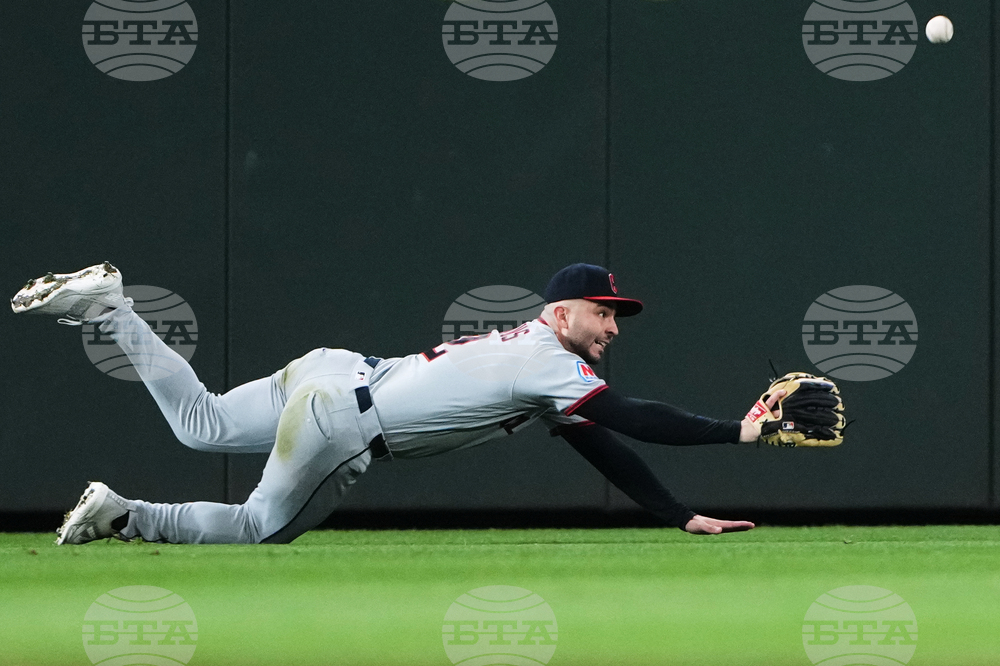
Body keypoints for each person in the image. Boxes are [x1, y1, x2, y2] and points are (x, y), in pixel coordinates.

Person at [11, 262, 784, 545]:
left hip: (330, 372)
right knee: (255, 531)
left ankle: (110, 308)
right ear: (559, 314)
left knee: (201, 421)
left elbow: (596, 439)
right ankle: (120, 515)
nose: (613, 326)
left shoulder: (536, 361)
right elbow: (631, 418)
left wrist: (674, 512)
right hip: (346, 422)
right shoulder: (548, 357)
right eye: (603, 312)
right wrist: (742, 435)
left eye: (617, 315)